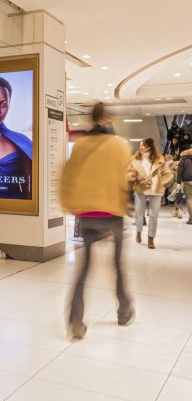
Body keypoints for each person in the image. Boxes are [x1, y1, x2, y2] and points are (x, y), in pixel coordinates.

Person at [59, 102, 135, 341]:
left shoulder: (81, 145)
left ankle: (75, 319)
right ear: (107, 119)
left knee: (84, 268)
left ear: (91, 119)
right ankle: (124, 311)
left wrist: (69, 204)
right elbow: (125, 179)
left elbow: (67, 177)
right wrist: (126, 204)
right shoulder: (119, 145)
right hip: (112, 213)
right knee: (118, 264)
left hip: (87, 214)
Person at [128, 138, 173, 249]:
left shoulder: (159, 159)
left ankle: (150, 239)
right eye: (139, 145)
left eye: (142, 145)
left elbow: (169, 174)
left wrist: (161, 182)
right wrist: (132, 175)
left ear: (149, 147)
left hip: (156, 189)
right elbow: (127, 173)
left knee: (154, 215)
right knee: (139, 213)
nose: (140, 147)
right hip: (140, 187)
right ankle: (138, 231)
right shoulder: (135, 160)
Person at [177, 148, 192, 224]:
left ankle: (191, 218)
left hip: (188, 180)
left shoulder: (183, 159)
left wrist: (179, 181)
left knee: (189, 199)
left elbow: (180, 170)